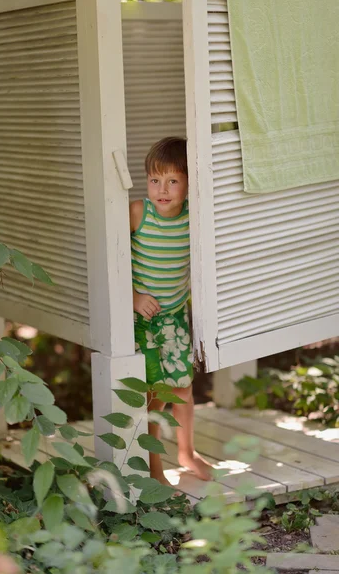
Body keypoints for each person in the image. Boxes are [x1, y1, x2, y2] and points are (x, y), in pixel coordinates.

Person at [130, 136, 212, 485]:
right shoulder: (137, 213)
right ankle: (154, 466)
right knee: (156, 396)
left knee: (183, 389)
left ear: (190, 183)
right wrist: (132, 295)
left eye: (173, 180)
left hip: (176, 316)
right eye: (155, 180)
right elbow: (109, 259)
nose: (162, 189)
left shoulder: (195, 216)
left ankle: (186, 452)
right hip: (143, 319)